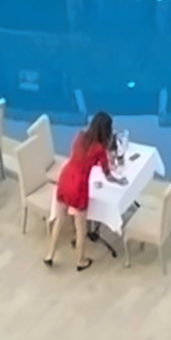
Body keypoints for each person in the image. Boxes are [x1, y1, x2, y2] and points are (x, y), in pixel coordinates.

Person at [44, 114, 114, 271]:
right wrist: (118, 180)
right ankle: (80, 260)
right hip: (79, 186)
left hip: (66, 177)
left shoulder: (80, 135)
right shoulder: (100, 149)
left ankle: (50, 255)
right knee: (81, 228)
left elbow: (79, 156)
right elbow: (107, 173)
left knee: (59, 220)